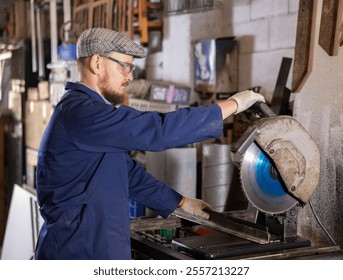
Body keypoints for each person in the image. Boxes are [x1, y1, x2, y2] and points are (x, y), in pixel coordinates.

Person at [34, 27, 265, 260]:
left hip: (96, 247)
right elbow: (158, 130)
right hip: (76, 253)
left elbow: (127, 173)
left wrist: (182, 202)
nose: (130, 76)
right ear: (97, 63)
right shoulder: (81, 113)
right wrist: (231, 106)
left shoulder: (91, 115)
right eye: (124, 65)